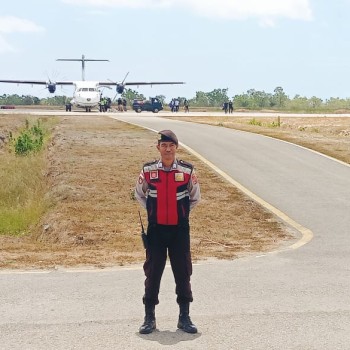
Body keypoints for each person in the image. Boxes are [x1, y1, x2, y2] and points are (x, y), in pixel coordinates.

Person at [135, 130, 201, 334]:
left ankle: (184, 316)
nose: (168, 149)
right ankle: (149, 317)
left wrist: (181, 214)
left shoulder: (187, 171)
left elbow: (194, 197)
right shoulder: (148, 170)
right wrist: (153, 211)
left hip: (179, 230)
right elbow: (139, 195)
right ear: (158, 148)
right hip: (156, 230)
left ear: (176, 147)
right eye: (164, 145)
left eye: (171, 145)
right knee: (153, 272)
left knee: (183, 272)